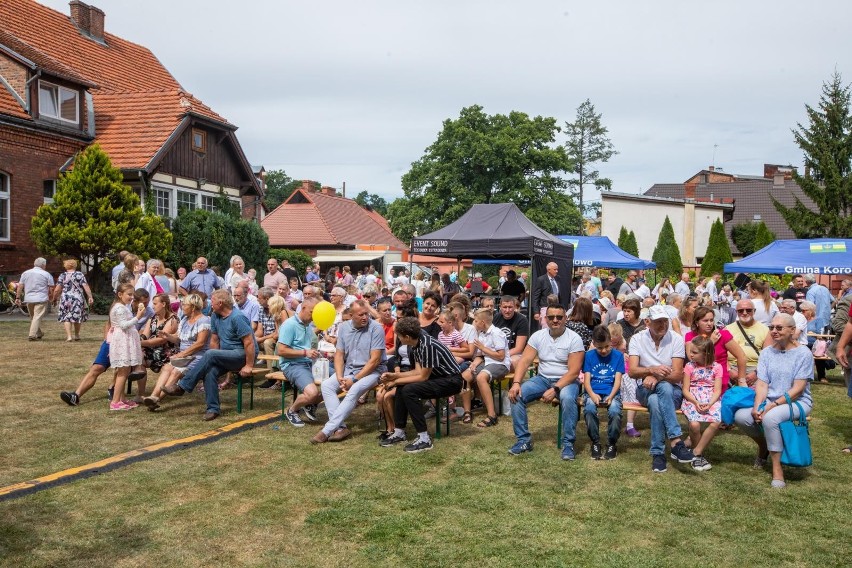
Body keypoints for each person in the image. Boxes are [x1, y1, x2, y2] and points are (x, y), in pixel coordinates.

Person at [734, 314, 814, 488]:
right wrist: (757, 407)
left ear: (792, 330)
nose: (774, 331)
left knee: (771, 418)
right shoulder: (767, 353)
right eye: (772, 327)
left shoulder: (804, 353)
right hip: (770, 400)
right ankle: (764, 447)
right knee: (742, 417)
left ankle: (777, 469)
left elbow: (798, 388)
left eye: (779, 328)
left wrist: (772, 405)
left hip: (798, 402)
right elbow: (762, 384)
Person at [162, 289, 257, 421]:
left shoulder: (237, 317)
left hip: (243, 355)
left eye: (212, 301)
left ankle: (183, 386)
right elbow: (214, 340)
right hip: (226, 354)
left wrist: (249, 365)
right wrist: (215, 359)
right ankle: (213, 409)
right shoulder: (215, 316)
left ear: (221, 303)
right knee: (209, 371)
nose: (210, 304)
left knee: (211, 354)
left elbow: (249, 343)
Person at [506, 303, 585, 459]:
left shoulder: (574, 339)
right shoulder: (538, 336)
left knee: (568, 398)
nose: (555, 320)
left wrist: (555, 389)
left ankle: (568, 444)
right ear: (545, 319)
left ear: (566, 319)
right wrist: (516, 383)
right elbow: (524, 361)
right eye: (551, 317)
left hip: (567, 380)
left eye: (559, 317)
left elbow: (574, 371)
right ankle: (523, 440)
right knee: (517, 395)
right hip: (542, 378)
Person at [378, 317, 464, 453]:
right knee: (402, 387)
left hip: (452, 381)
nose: (398, 339)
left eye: (399, 336)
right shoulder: (416, 343)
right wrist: (395, 376)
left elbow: (423, 377)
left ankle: (424, 438)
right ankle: (399, 431)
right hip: (438, 378)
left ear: (406, 336)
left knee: (409, 390)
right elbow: (417, 371)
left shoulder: (427, 345)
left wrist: (394, 381)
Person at [311, 300, 387, 443]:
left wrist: (354, 379)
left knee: (355, 389)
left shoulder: (376, 328)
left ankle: (327, 430)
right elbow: (339, 354)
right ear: (351, 315)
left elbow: (375, 361)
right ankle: (340, 427)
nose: (365, 317)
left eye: (366, 314)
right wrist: (340, 376)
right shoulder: (344, 327)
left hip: (373, 372)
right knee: (327, 385)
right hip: (349, 370)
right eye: (361, 315)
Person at [629, 305, 693, 473]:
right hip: (644, 388)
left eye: (665, 321)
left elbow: (678, 375)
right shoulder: (637, 339)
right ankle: (676, 441)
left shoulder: (676, 339)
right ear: (647, 322)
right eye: (658, 322)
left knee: (656, 399)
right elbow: (632, 371)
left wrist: (656, 377)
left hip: (673, 391)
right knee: (660, 389)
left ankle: (658, 453)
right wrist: (652, 370)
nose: (663, 325)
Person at [143, 293, 211, 410]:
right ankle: (153, 396)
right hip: (184, 356)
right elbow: (178, 338)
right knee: (167, 368)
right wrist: (167, 336)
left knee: (175, 371)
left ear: (193, 307)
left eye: (184, 305)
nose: (181, 307)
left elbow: (200, 344)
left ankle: (156, 399)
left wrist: (181, 354)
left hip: (197, 356)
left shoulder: (204, 320)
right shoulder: (185, 319)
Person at [459, 308, 510, 427]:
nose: (474, 323)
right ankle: (467, 412)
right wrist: (474, 364)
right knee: (464, 376)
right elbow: (480, 356)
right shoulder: (481, 334)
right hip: (487, 362)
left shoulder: (496, 333)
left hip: (500, 364)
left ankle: (492, 415)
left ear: (482, 322)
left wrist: (483, 348)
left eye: (476, 321)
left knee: (481, 377)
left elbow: (501, 356)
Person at [681, 336, 723, 471]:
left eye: (694, 352)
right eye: (690, 351)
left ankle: (696, 453)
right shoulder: (689, 366)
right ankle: (698, 455)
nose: (690, 355)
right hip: (692, 397)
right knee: (694, 424)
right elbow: (685, 390)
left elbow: (717, 390)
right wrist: (695, 401)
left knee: (716, 422)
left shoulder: (717, 367)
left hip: (711, 398)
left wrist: (710, 403)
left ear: (706, 353)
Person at [582, 325, 624, 460]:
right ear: (593, 344)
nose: (604, 350)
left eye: (607, 346)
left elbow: (618, 381)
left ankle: (612, 443)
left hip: (612, 392)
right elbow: (586, 381)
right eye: (599, 348)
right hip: (592, 391)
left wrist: (611, 396)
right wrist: (592, 395)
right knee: (588, 408)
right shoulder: (589, 356)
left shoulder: (618, 356)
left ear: (610, 341)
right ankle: (595, 442)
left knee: (615, 411)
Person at [684, 306, 747, 390]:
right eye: (705, 321)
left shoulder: (722, 335)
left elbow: (741, 356)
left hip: (719, 379)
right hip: (698, 381)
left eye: (711, 320)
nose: (709, 323)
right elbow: (692, 358)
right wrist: (710, 342)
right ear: (697, 322)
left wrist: (741, 380)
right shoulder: (690, 336)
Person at [107, 283, 147, 411]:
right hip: (122, 340)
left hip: (125, 339)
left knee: (123, 371)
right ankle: (115, 402)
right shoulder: (119, 308)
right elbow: (124, 325)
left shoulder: (123, 307)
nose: (131, 297)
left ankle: (121, 398)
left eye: (132, 295)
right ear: (120, 294)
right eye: (129, 294)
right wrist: (138, 317)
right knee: (123, 372)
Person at [725, 299, 771, 387]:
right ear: (736, 312)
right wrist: (729, 370)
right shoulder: (727, 329)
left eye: (749, 310)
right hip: (732, 367)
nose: (745, 313)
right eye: (741, 310)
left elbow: (768, 356)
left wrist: (756, 373)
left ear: (754, 311)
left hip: (754, 369)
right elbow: (720, 353)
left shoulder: (765, 330)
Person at [54, 258, 94, 342]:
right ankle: (77, 335)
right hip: (77, 298)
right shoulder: (79, 274)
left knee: (66, 317)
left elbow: (57, 289)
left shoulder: (62, 275)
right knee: (77, 316)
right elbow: (85, 286)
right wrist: (90, 296)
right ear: (75, 265)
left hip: (65, 298)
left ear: (66, 266)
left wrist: (54, 298)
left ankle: (69, 336)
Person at [15, 257, 55, 341]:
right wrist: (52, 297)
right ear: (43, 265)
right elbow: (51, 287)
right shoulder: (46, 274)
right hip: (41, 298)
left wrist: (18, 297)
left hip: (29, 298)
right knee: (36, 317)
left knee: (33, 317)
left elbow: (20, 286)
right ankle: (32, 335)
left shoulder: (25, 273)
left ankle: (39, 333)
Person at [492, 295, 529, 371]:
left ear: (515, 307)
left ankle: (513, 382)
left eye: (510, 307)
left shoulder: (522, 320)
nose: (507, 310)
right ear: (500, 307)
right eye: (505, 307)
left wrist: (502, 355)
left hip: (515, 354)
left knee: (511, 362)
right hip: (497, 352)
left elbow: (519, 348)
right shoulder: (496, 318)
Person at [532, 262, 562, 328]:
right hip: (545, 309)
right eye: (555, 269)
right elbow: (536, 297)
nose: (557, 271)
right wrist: (536, 312)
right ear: (548, 270)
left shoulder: (558, 279)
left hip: (556, 309)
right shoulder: (541, 280)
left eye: (557, 269)